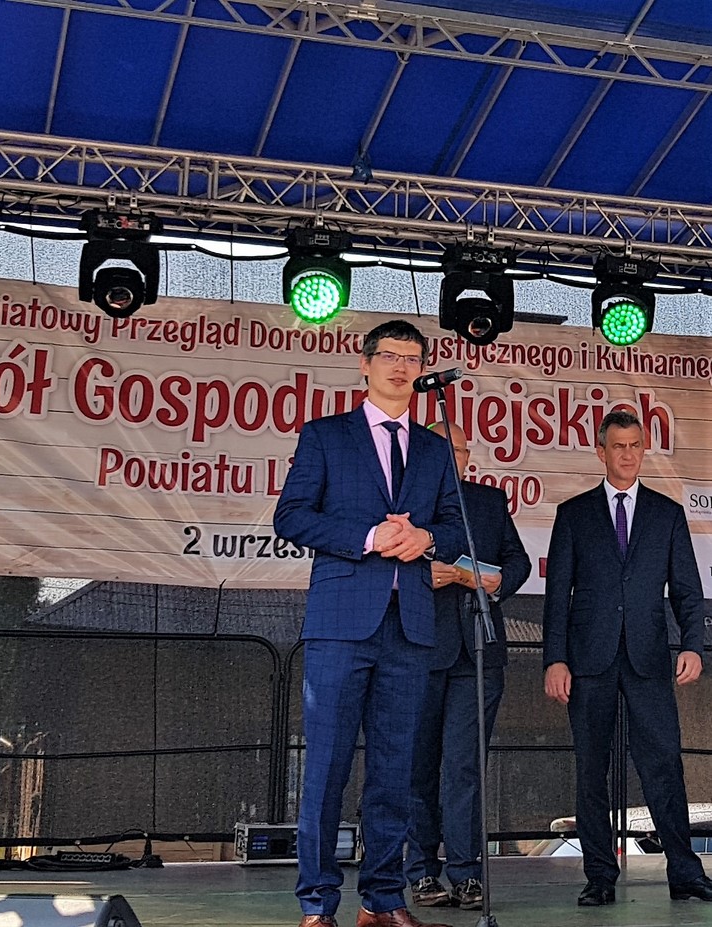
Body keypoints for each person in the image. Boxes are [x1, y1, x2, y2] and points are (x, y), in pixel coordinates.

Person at [274, 319, 466, 927]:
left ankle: (383, 899)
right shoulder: (327, 435)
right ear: (365, 364)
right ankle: (317, 903)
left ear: (423, 369)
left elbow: (457, 526)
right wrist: (368, 537)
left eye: (412, 358)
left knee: (394, 771)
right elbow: (291, 517)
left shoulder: (435, 450)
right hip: (341, 624)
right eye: (389, 355)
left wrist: (426, 538)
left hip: (409, 626)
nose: (401, 367)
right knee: (327, 766)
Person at [543, 409, 712, 906]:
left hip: (648, 656)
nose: (628, 454)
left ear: (643, 449)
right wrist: (555, 659)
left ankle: (685, 872)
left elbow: (687, 590)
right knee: (590, 770)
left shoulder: (666, 513)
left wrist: (693, 645)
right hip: (588, 659)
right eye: (618, 446)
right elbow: (556, 596)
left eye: (635, 445)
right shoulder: (574, 514)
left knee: (664, 765)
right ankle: (599, 876)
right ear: (601, 451)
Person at [404, 422, 531, 911]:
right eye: (440, 449)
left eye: (457, 450)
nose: (451, 457)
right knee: (418, 768)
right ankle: (421, 871)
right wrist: (422, 576)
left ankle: (466, 872)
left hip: (478, 650)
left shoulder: (488, 501)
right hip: (418, 649)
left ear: (467, 456)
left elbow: (517, 563)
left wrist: (484, 579)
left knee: (464, 766)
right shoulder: (406, 501)